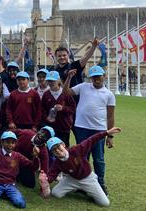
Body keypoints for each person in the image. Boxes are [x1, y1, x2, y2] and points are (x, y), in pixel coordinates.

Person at [63, 66, 116, 194]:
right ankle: (82, 182)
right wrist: (69, 77)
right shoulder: (83, 86)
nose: (97, 79)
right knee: (82, 157)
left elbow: (110, 116)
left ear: (104, 76)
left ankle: (100, 183)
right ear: (90, 78)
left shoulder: (109, 94)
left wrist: (110, 136)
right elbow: (66, 92)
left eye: (99, 76)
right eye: (94, 77)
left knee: (98, 158)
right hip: (82, 128)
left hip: (98, 130)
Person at [44, 127, 122, 207]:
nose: (57, 150)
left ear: (63, 145)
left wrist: (106, 133)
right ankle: (75, 187)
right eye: (54, 149)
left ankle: (87, 189)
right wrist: (45, 180)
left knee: (104, 203)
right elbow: (51, 175)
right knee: (55, 193)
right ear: (52, 153)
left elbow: (92, 139)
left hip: (87, 178)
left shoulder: (76, 150)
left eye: (58, 146)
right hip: (72, 179)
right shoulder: (57, 163)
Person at [0, 131, 40, 208]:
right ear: (2, 142)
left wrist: (35, 157)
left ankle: (2, 193)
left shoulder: (17, 156)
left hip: (10, 185)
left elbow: (32, 167)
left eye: (13, 143)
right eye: (7, 142)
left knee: (21, 204)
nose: (10, 145)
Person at [41, 71, 76, 146]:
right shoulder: (46, 94)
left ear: (58, 80)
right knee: (50, 149)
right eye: (49, 81)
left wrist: (63, 108)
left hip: (64, 128)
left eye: (53, 80)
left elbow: (73, 109)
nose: (51, 83)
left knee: (63, 149)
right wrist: (46, 118)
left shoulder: (66, 94)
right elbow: (42, 110)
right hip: (50, 128)